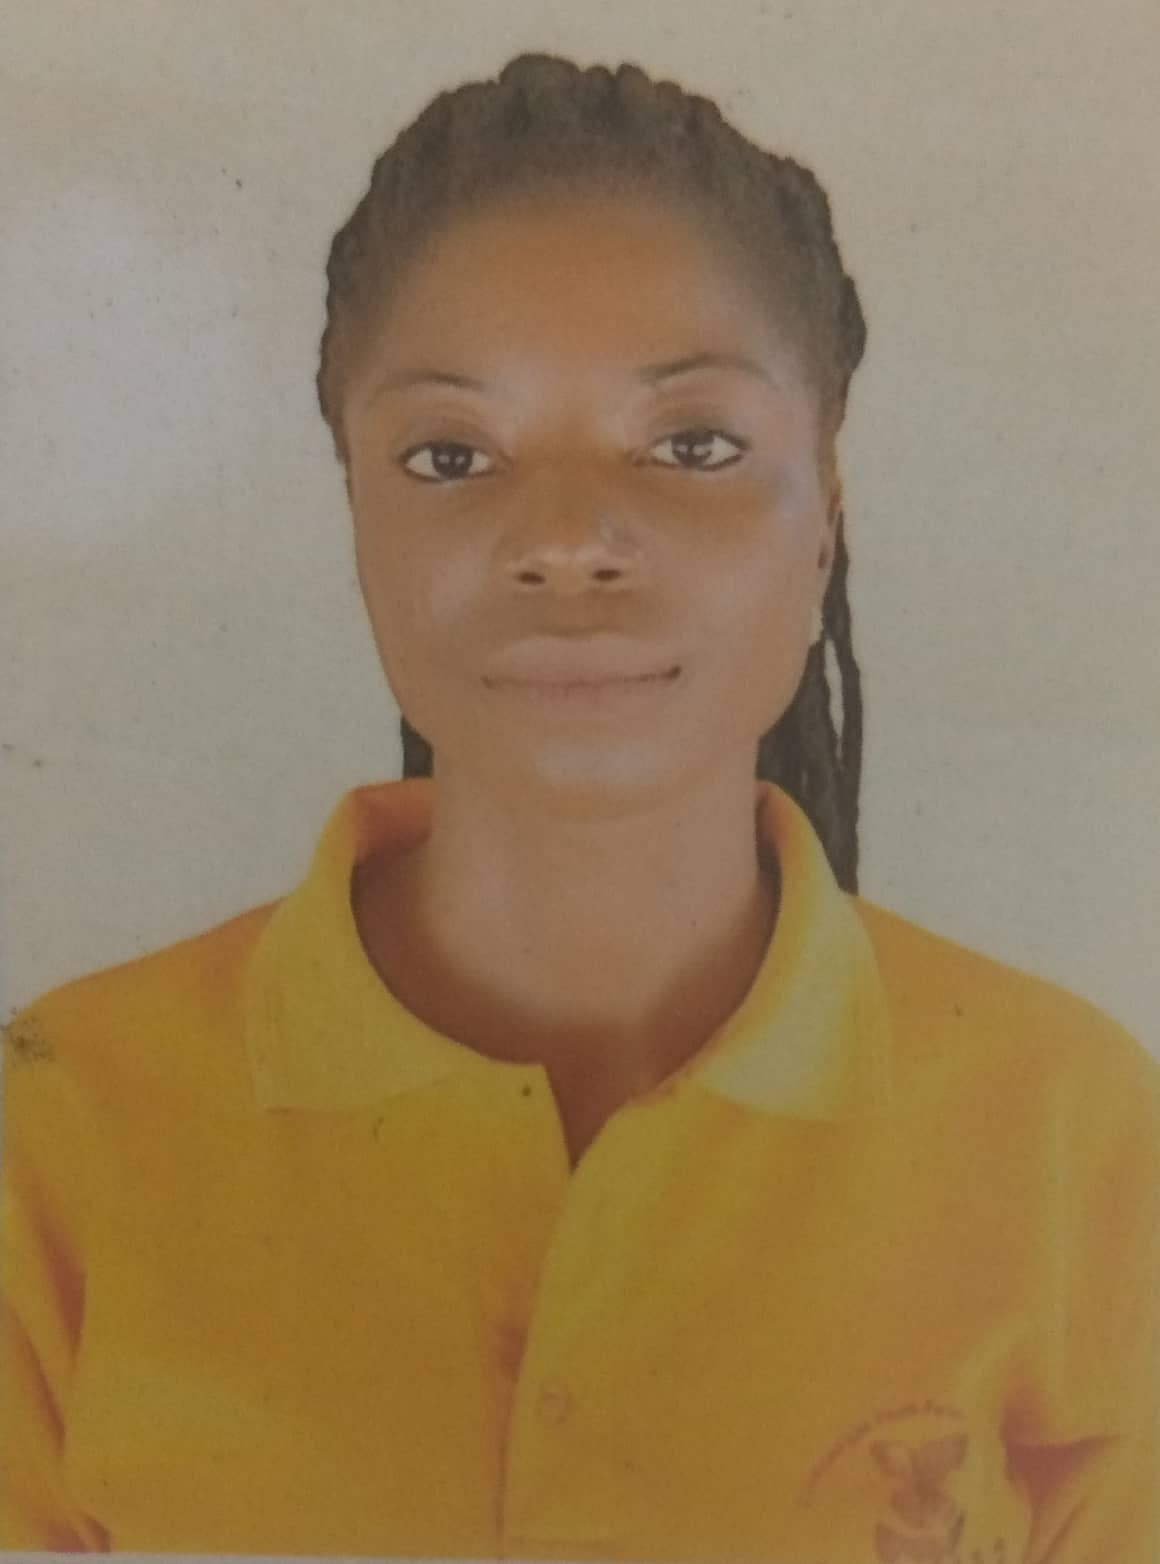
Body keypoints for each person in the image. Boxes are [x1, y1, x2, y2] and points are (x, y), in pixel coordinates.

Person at [1, 50, 1156, 1563]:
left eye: (692, 445)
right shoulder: (58, 1130)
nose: (566, 540)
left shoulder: (1078, 1137)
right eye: (450, 455)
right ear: (354, 512)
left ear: (825, 512)